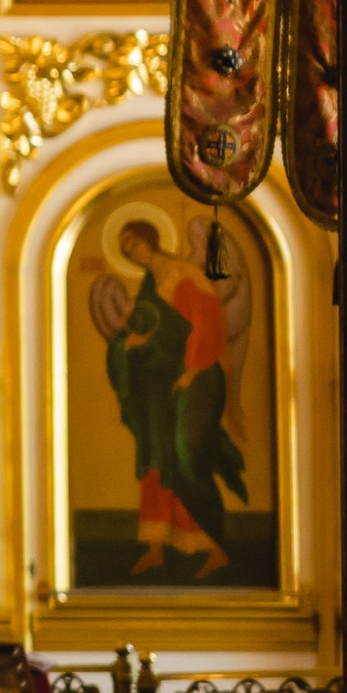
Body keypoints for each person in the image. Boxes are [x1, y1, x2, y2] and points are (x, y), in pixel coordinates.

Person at [96, 219, 244, 575]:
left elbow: (206, 325)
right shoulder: (149, 284)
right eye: (125, 249)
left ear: (150, 239)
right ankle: (156, 545)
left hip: (196, 379)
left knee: (188, 459)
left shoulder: (182, 273)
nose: (131, 252)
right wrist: (129, 345)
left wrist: (190, 371)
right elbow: (150, 330)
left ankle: (214, 546)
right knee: (157, 461)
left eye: (134, 243)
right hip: (160, 386)